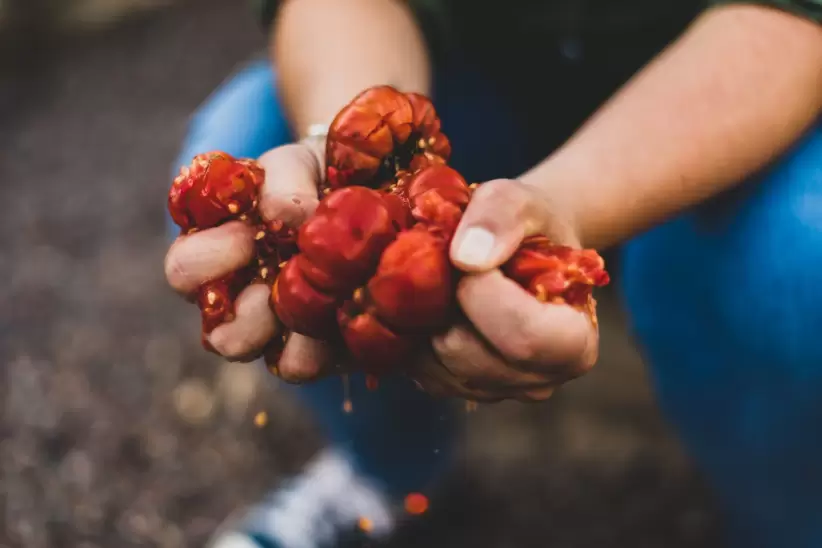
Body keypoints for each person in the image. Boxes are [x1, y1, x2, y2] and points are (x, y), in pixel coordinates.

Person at [163, 0, 822, 546]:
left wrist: (567, 202)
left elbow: (792, 18)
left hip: (737, 105)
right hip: (482, 86)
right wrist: (345, 143)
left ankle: (784, 520)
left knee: (801, 252)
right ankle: (389, 474)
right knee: (245, 148)